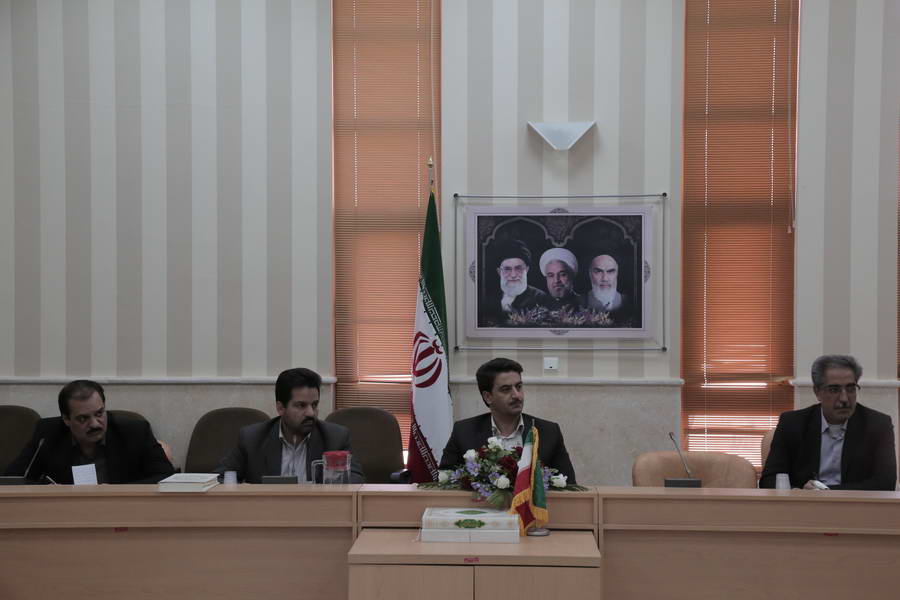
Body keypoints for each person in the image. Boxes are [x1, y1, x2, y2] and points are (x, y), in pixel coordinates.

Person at [760, 354, 896, 491]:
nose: (844, 398)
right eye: (834, 390)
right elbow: (769, 479)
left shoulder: (878, 425)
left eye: (850, 388)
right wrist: (799, 492)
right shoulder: (792, 424)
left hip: (855, 504)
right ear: (817, 392)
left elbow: (886, 483)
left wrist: (825, 492)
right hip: (804, 502)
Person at [4, 380, 174, 484]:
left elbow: (166, 477)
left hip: (121, 513)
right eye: (83, 418)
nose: (94, 424)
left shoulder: (134, 431)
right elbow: (13, 479)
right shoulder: (47, 433)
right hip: (67, 516)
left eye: (99, 413)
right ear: (66, 419)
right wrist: (46, 490)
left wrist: (117, 491)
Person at [438, 357, 577, 483]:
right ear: (488, 397)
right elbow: (444, 481)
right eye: (506, 389)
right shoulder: (464, 432)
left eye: (519, 387)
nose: (517, 395)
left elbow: (569, 486)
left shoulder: (548, 431)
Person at [217, 367, 364, 483]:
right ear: (280, 408)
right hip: (267, 511)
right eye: (301, 405)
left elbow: (356, 478)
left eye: (314, 405)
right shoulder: (252, 438)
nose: (311, 413)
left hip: (316, 511)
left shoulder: (335, 437)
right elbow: (220, 479)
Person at [487, 239, 547, 324]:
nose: (513, 275)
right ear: (499, 272)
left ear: (526, 270)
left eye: (518, 268)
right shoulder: (490, 299)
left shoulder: (540, 298)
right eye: (507, 269)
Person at [583, 253, 638, 326]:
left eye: (610, 271)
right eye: (598, 271)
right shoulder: (578, 302)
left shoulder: (631, 302)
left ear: (617, 274)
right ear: (590, 274)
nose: (605, 279)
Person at [538, 247, 582, 312]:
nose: (556, 280)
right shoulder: (539, 307)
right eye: (551, 275)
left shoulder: (585, 304)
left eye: (562, 274)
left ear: (571, 276)